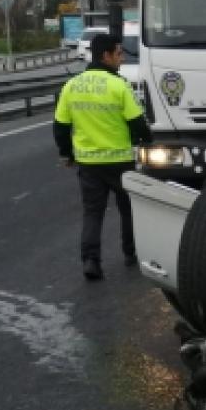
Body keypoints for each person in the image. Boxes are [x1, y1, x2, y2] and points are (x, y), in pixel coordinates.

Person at [53, 33, 152, 281]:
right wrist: (147, 141)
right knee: (128, 209)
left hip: (88, 163)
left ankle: (91, 260)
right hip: (120, 161)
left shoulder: (71, 86)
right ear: (106, 55)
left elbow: (60, 126)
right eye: (119, 53)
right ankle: (130, 252)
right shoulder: (119, 86)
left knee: (92, 213)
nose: (122, 58)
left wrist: (66, 154)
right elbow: (137, 122)